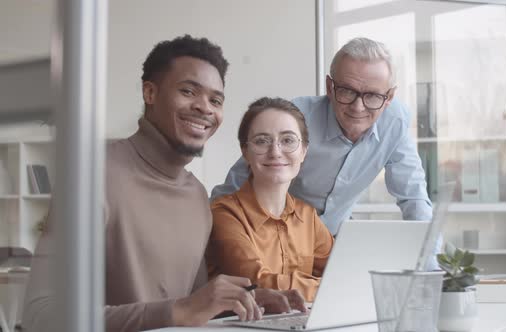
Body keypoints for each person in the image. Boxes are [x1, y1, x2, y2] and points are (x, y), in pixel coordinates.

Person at [22, 35, 305, 332]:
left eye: (216, 100)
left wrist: (243, 302)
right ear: (150, 93)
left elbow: (190, 310)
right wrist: (179, 310)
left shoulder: (197, 195)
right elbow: (40, 316)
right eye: (188, 91)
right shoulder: (91, 175)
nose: (204, 108)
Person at [212, 37, 433, 236]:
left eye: (373, 96)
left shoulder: (395, 122)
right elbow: (236, 186)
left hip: (334, 240)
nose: (358, 107)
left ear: (389, 97)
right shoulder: (295, 118)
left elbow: (413, 196)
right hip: (277, 237)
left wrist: (430, 266)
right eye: (347, 91)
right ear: (329, 87)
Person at [206, 97, 334, 302]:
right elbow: (256, 283)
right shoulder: (223, 213)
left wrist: (339, 286)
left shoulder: (307, 216)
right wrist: (328, 289)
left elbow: (342, 272)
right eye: (261, 141)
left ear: (303, 152)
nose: (275, 152)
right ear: (245, 152)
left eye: (288, 140)